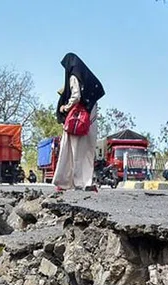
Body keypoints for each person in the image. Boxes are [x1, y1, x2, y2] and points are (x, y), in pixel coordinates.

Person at [54, 53, 105, 192]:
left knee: (70, 151)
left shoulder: (73, 77)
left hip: (76, 121)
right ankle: (85, 182)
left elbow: (76, 96)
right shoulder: (88, 81)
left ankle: (65, 182)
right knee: (86, 153)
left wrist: (65, 107)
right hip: (87, 122)